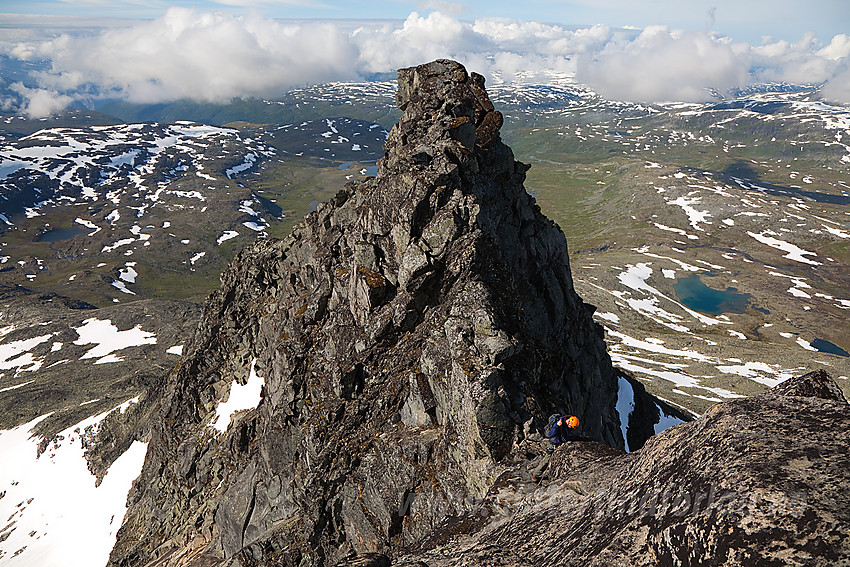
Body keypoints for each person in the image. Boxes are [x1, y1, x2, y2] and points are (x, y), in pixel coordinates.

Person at [530, 415, 580, 482]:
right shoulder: (559, 424)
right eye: (571, 426)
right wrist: (557, 426)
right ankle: (534, 475)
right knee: (546, 461)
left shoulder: (565, 423)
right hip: (552, 445)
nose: (570, 428)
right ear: (569, 422)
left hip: (557, 443)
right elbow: (551, 435)